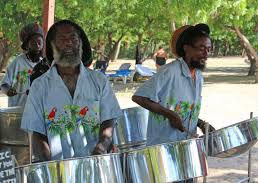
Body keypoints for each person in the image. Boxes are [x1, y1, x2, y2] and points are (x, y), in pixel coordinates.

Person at [21, 20, 122, 162]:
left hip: (99, 164)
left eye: (73, 38)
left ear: (80, 43)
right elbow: (36, 133)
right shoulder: (39, 86)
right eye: (62, 39)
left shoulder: (99, 80)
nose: (68, 43)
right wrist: (49, 168)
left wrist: (101, 148)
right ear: (52, 45)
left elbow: (109, 120)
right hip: (60, 169)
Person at [132, 24, 215, 182]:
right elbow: (139, 97)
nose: (206, 53)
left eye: (209, 49)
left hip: (186, 149)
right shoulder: (169, 71)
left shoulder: (198, 76)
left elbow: (185, 110)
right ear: (186, 48)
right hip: (164, 150)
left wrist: (201, 123)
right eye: (201, 48)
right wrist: (170, 115)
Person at [1, 23, 44, 106]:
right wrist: (8, 91)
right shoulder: (18, 62)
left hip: (36, 112)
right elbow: (3, 85)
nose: (37, 46)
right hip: (17, 111)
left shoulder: (44, 65)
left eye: (39, 42)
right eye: (33, 43)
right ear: (27, 45)